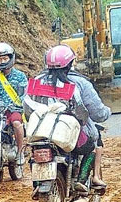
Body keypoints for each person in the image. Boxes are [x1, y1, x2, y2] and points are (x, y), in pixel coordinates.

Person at [24, 45, 111, 191]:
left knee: (35, 154)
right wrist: (106, 113)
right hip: (69, 135)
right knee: (93, 144)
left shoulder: (35, 82)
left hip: (41, 133)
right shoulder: (79, 83)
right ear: (70, 63)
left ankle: (37, 184)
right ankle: (83, 180)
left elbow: (27, 108)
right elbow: (90, 113)